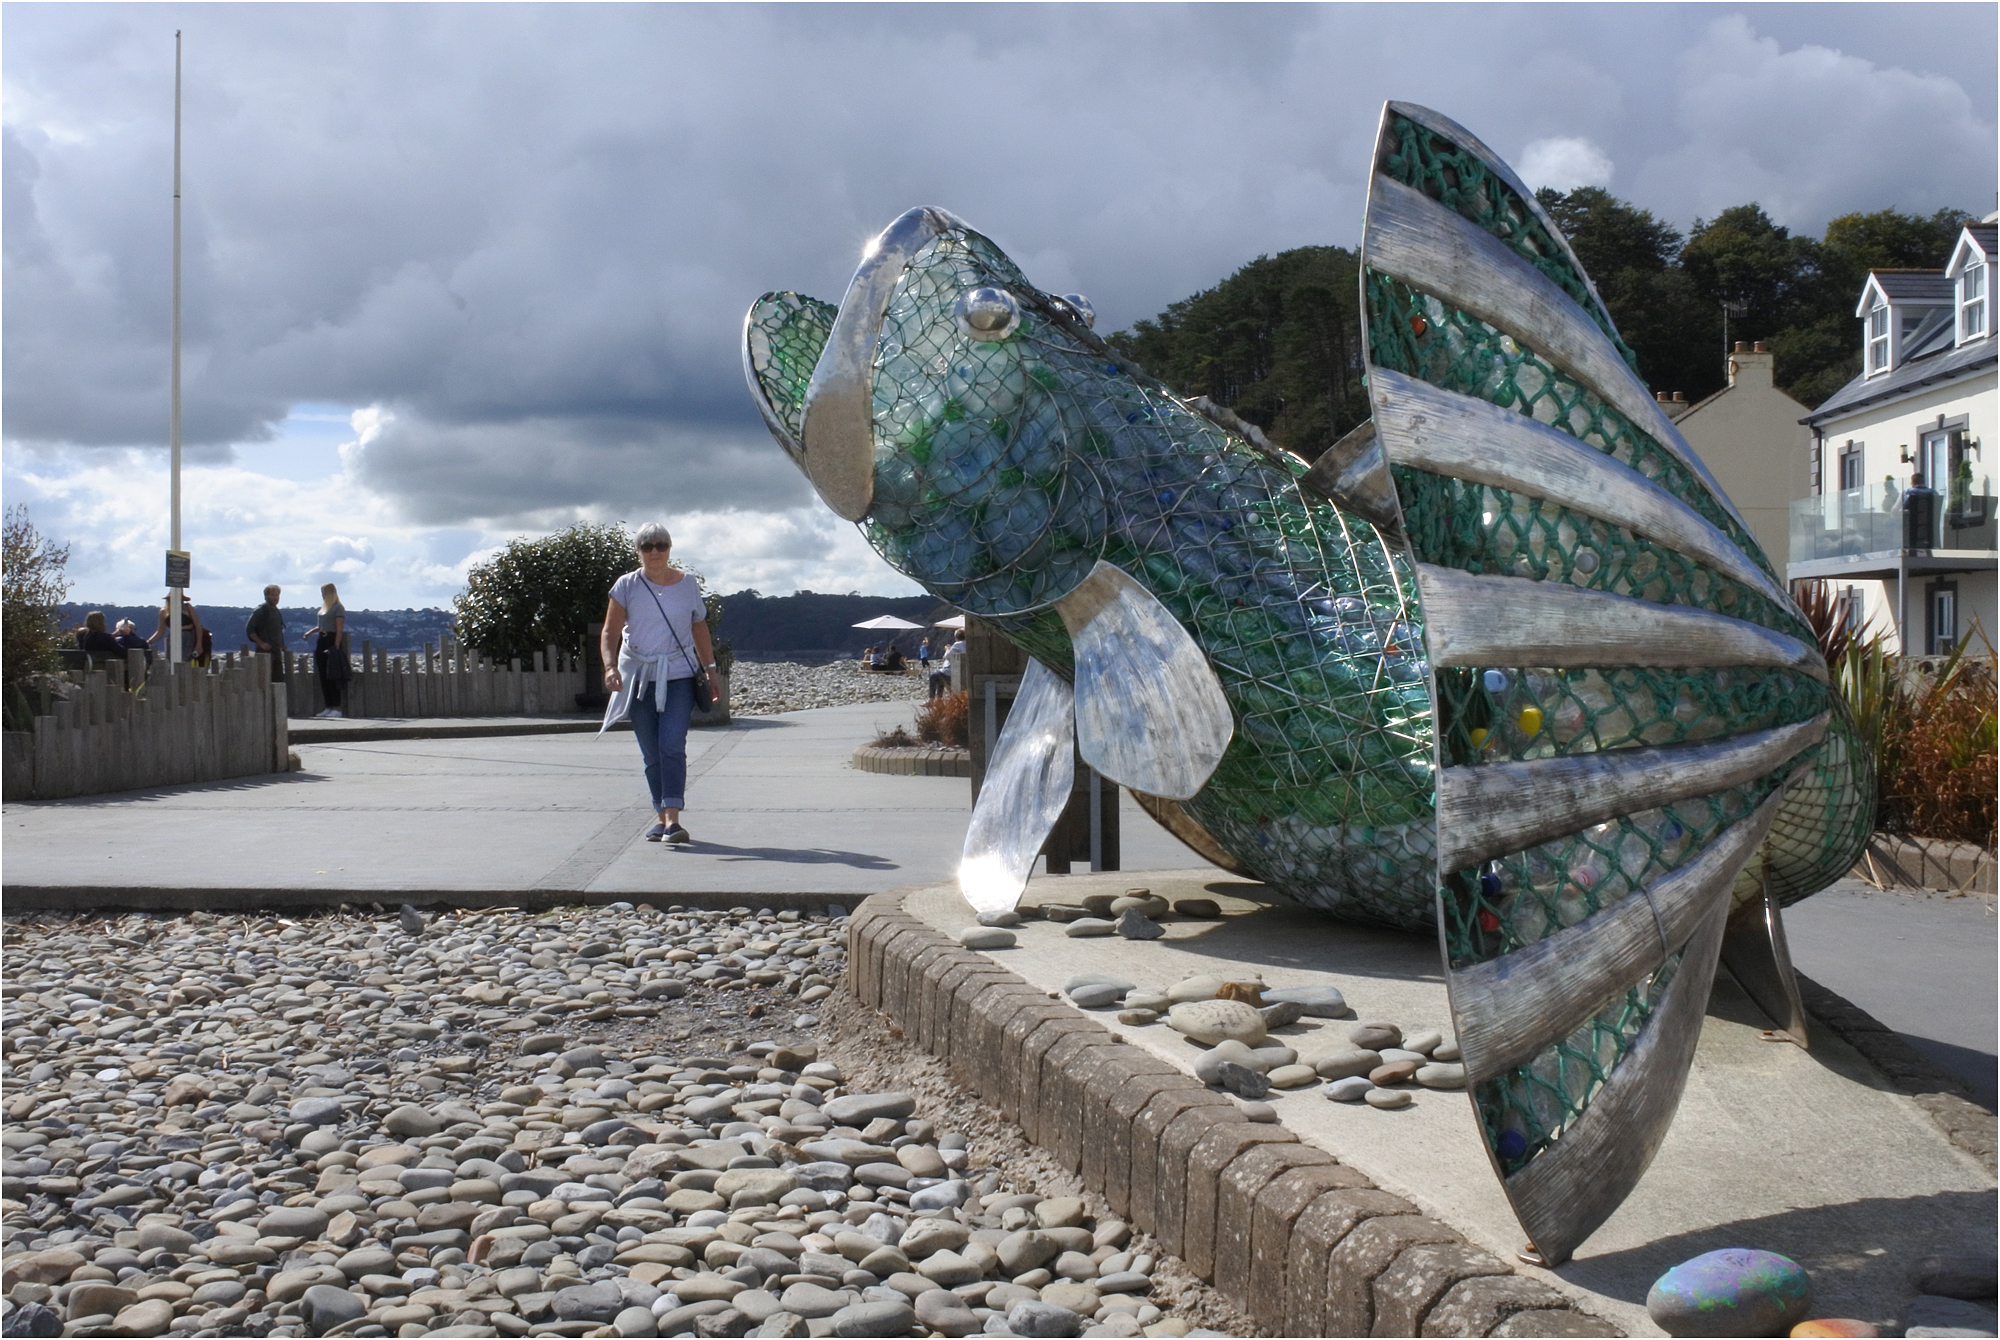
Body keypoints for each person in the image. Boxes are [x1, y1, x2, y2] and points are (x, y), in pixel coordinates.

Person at [599, 523, 716, 845]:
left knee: (671, 745)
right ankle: (661, 818)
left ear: (670, 548)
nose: (654, 551)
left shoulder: (687, 584)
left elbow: (699, 628)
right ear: (638, 551)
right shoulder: (626, 585)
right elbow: (610, 632)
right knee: (651, 752)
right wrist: (610, 667)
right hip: (638, 677)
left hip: (678, 674)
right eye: (647, 545)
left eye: (661, 545)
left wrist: (711, 670)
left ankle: (673, 818)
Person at [302, 583, 349, 718]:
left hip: (330, 640)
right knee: (323, 675)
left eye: (324, 593)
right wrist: (309, 633)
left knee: (333, 675)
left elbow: (338, 628)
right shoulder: (324, 608)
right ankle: (328, 706)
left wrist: (336, 646)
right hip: (321, 640)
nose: (322, 595)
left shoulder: (338, 608)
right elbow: (321, 626)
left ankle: (336, 707)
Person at [149, 593, 209, 667]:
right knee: (171, 662)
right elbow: (160, 631)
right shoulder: (164, 611)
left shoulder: (187, 607)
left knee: (185, 660)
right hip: (173, 636)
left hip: (188, 636)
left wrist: (198, 644)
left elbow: (197, 626)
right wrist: (149, 642)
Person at [245, 585, 289, 682]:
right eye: (272, 595)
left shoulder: (276, 611)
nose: (275, 598)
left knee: (278, 681)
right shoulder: (260, 611)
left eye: (277, 595)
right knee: (265, 681)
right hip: (264, 654)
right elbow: (250, 629)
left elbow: (277, 629)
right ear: (266, 596)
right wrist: (261, 643)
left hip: (276, 653)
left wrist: (282, 644)